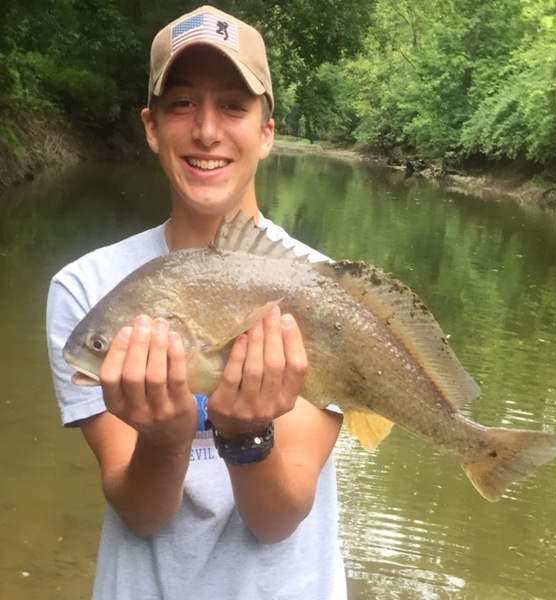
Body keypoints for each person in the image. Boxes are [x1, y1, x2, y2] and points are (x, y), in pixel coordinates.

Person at [46, 5, 347, 599]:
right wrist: (164, 439)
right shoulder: (86, 288)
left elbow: (276, 521)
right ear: (151, 126)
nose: (207, 130)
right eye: (182, 103)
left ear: (266, 132)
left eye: (233, 106)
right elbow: (143, 515)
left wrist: (247, 434)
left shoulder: (322, 293)